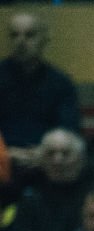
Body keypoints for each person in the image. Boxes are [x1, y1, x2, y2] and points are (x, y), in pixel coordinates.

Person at [0, 13, 80, 174]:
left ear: (44, 39)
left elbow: (69, 130)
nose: (21, 42)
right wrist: (5, 154)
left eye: (29, 35)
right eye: (15, 35)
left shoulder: (61, 83)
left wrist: (44, 153)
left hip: (49, 164)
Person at [5, 129, 93, 231]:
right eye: (50, 153)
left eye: (65, 153)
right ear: (41, 159)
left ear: (81, 158)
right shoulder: (29, 197)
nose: (57, 160)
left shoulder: (93, 196)